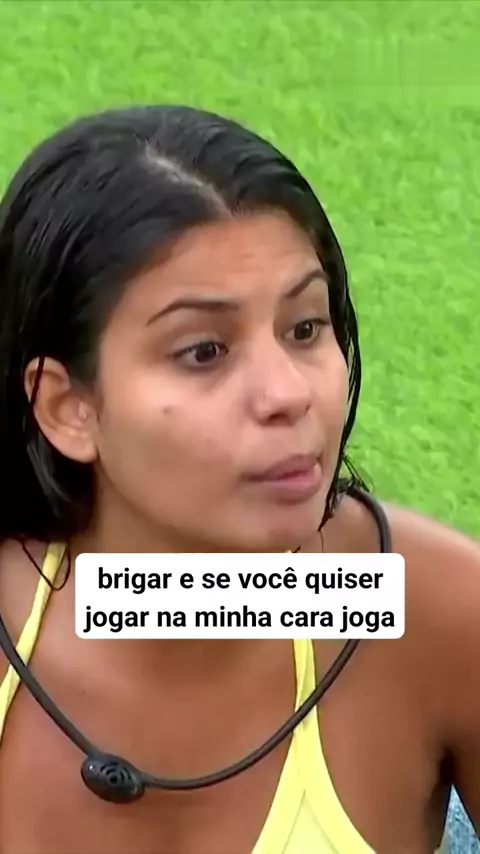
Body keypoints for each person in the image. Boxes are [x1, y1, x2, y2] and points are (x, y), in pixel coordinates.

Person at [0, 105, 478, 854]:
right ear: (68, 408)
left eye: (305, 328)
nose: (288, 393)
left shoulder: (430, 612)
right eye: (203, 351)